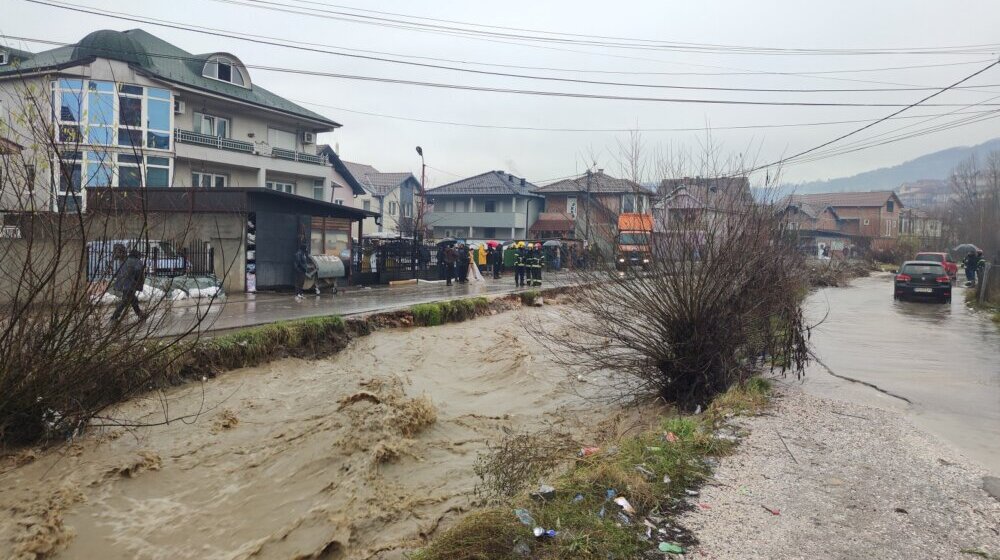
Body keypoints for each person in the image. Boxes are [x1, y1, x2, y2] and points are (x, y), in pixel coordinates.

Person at [111, 248, 147, 322]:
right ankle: (114, 317)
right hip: (131, 284)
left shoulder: (125, 260)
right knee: (125, 301)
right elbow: (139, 273)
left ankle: (140, 314)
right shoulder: (137, 262)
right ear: (137, 256)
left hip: (123, 283)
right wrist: (139, 283)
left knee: (132, 300)